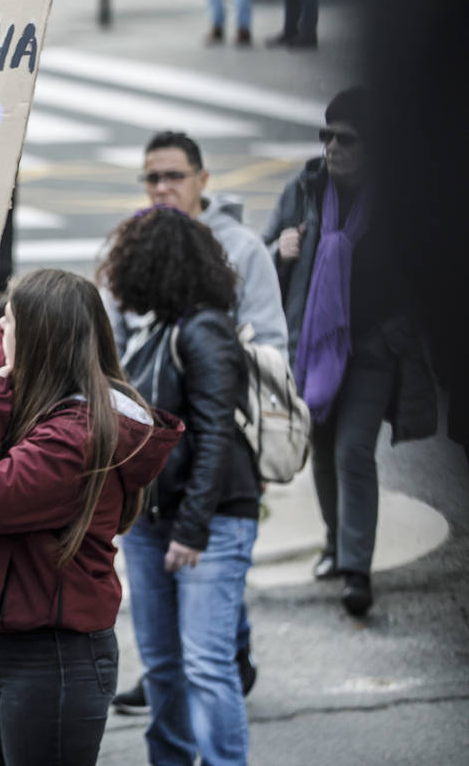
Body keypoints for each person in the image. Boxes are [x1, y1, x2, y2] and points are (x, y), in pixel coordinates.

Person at [0, 269, 180, 766]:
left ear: (37, 341)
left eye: (10, 321)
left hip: (50, 659)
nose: (2, 330)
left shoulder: (74, 437)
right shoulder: (45, 393)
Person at [109, 129, 285, 715]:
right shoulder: (137, 244)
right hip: (153, 486)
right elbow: (110, 347)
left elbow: (270, 350)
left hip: (214, 471)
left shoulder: (239, 256)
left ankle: (230, 655)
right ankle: (205, 667)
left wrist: (250, 453)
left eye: (173, 176)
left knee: (206, 653)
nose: (161, 187)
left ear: (203, 180)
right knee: (171, 656)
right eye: (151, 177)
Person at [262, 88, 436, 615]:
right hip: (314, 346)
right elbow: (261, 254)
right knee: (322, 445)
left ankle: (356, 569)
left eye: (346, 139)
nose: (332, 147)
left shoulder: (399, 200)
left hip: (373, 348)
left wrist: (400, 329)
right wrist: (280, 251)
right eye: (326, 135)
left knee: (353, 450)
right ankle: (336, 543)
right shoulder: (307, 187)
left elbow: (429, 275)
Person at [101, 206, 260, 766]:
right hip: (156, 521)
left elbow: (216, 432)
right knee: (164, 663)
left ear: (151, 267)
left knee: (206, 663)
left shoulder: (204, 329)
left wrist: (190, 530)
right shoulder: (159, 330)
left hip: (210, 522)